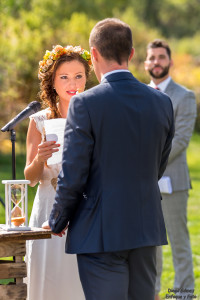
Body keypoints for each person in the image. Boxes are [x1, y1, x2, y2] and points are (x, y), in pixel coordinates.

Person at [49, 18, 174, 300]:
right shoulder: (162, 102)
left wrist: (57, 219)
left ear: (93, 54)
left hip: (100, 231)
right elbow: (158, 165)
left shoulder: (84, 103)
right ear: (131, 54)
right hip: (145, 227)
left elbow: (74, 173)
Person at [24, 44, 91, 300]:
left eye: (78, 76)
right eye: (64, 77)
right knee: (47, 279)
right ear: (52, 82)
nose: (72, 83)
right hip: (47, 208)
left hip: (83, 208)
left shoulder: (93, 116)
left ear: (86, 78)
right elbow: (30, 179)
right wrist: (40, 158)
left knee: (78, 281)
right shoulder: (38, 121)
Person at [144, 39, 197, 299]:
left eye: (161, 57)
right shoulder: (139, 94)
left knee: (179, 243)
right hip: (143, 184)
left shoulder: (185, 96)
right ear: (145, 63)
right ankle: (152, 293)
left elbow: (181, 140)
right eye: (152, 57)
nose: (156, 62)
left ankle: (183, 294)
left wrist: (145, 164)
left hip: (172, 182)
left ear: (170, 62)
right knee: (150, 245)